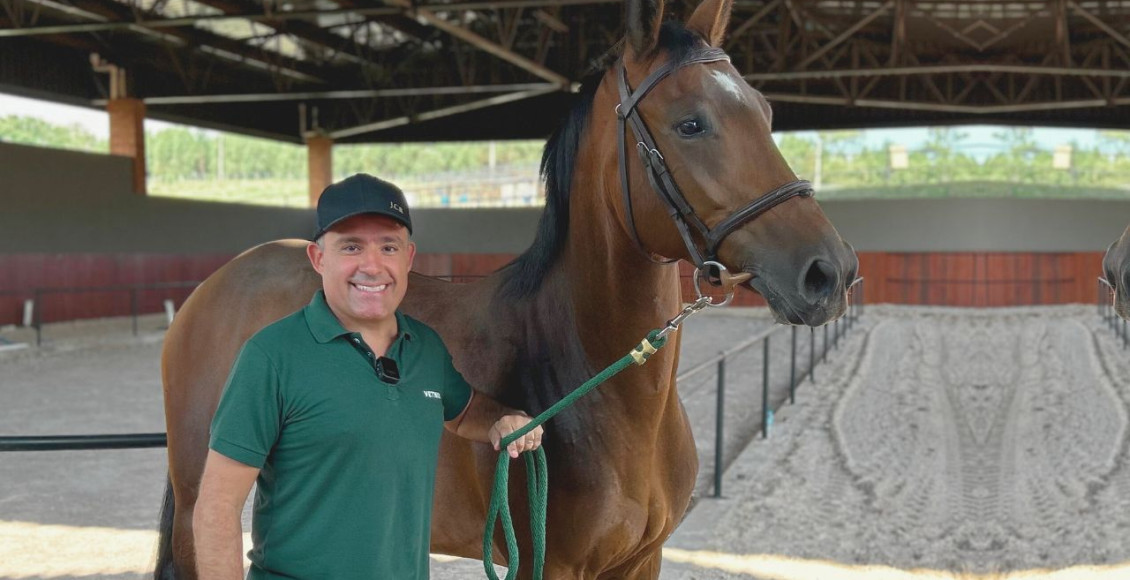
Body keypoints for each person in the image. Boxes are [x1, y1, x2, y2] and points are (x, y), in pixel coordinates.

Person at [192, 173, 544, 579]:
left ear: (408, 258)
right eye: (351, 247)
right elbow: (216, 507)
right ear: (318, 259)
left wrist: (504, 421)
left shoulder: (425, 348)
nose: (372, 266)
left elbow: (464, 412)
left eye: (388, 247)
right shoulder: (271, 357)